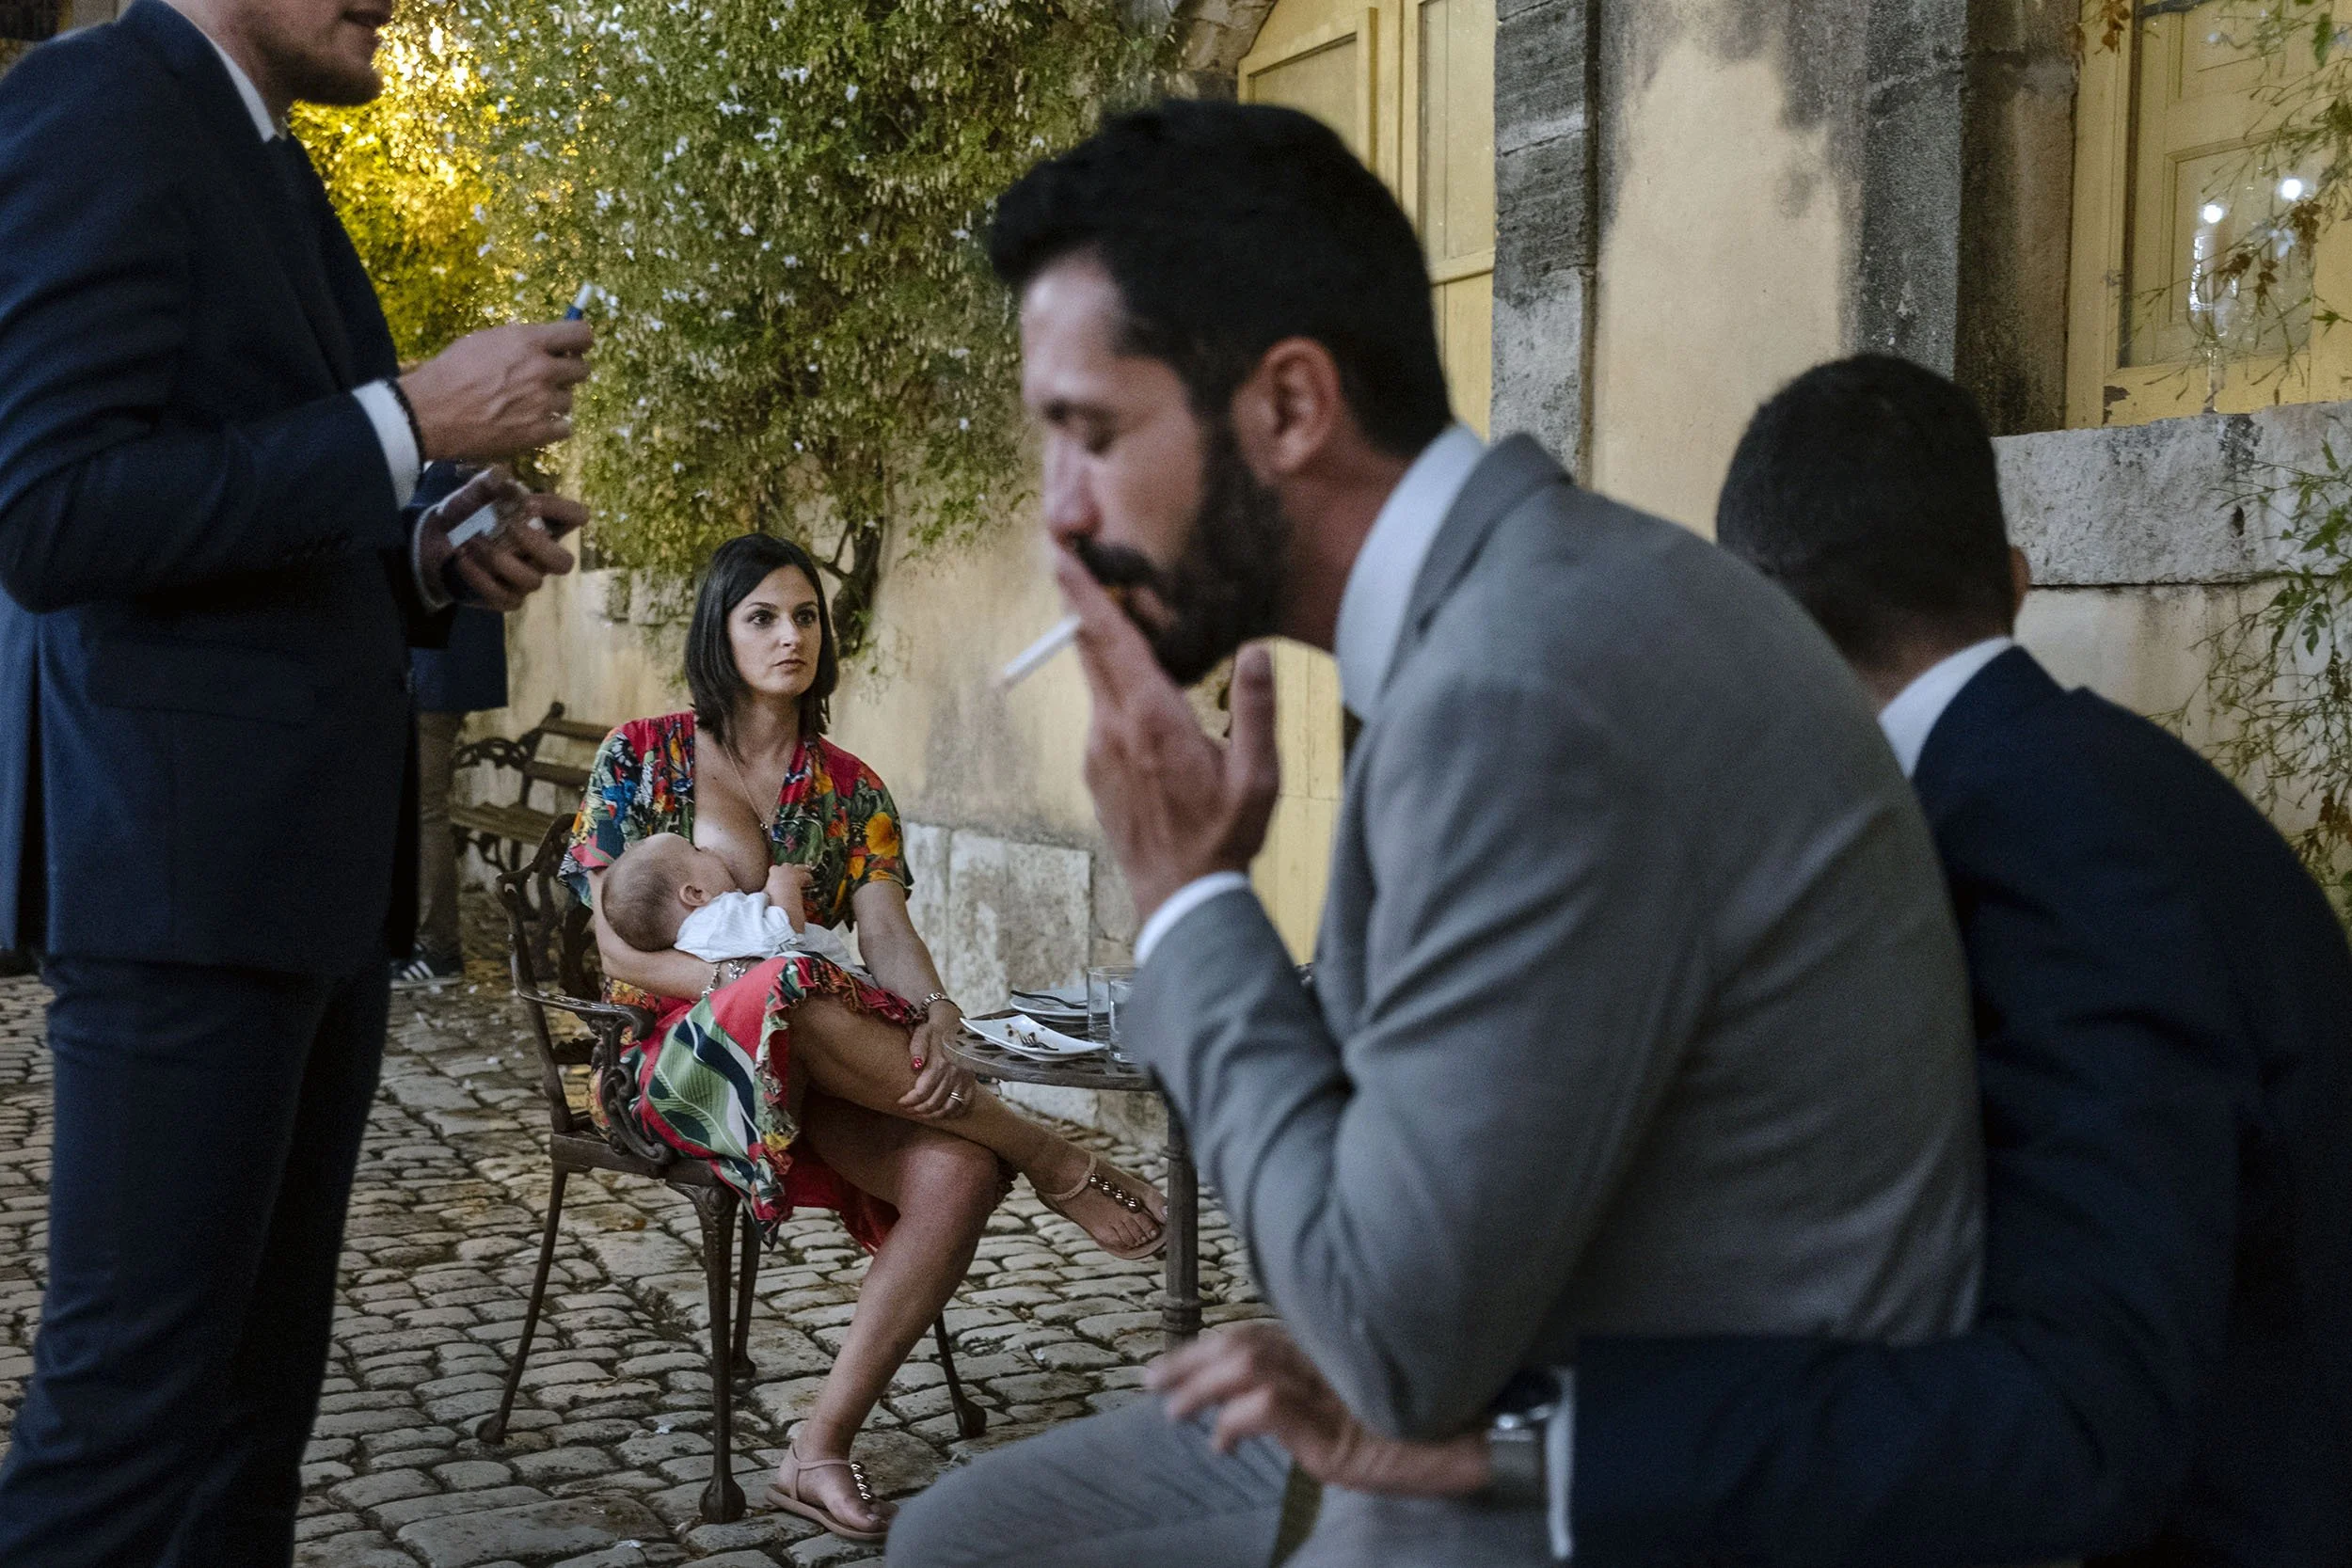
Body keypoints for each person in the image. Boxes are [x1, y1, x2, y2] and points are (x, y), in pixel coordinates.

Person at [889, 99, 1985, 1567]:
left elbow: (1394, 1336)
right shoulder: (1511, 612)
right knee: (971, 1532)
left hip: (1663, 1484)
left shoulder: (1529, 685)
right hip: (1517, 1388)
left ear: (1288, 404)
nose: (1061, 517)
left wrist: (1189, 902)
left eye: (1090, 433)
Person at [1114, 356, 2352, 1568]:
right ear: (2013, 585)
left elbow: (2079, 1430)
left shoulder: (2050, 844)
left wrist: (1545, 1438)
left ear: (1753, 617)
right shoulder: (2100, 784)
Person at [0, 0, 593, 1558]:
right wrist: (413, 415)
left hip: (305, 886)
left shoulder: (268, 157)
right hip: (180, 883)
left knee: (245, 1432)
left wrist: (427, 545)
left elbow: (250, 507)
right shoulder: (98, 105)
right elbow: (52, 514)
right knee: (126, 1437)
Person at [566, 531, 1169, 1542]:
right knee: (793, 975)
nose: (789, 634)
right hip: (670, 1060)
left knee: (955, 1171)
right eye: (761, 615)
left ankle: (815, 1448)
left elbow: (887, 931)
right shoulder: (642, 752)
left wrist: (936, 1013)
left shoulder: (848, 787)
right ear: (719, 631)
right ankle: (1052, 1153)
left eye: (805, 615)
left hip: (810, 1056)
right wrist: (735, 980)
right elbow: (612, 944)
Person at [398, 466, 515, 987]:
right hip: (430, 676)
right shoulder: (447, 485)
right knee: (416, 811)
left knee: (423, 811)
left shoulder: (448, 489)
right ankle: (416, 942)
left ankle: (438, 947)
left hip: (430, 678)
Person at [600, 831, 859, 973]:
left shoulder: (707, 929)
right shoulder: (713, 921)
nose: (709, 849)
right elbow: (782, 935)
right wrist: (783, 884)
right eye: (697, 851)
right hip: (837, 987)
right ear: (695, 894)